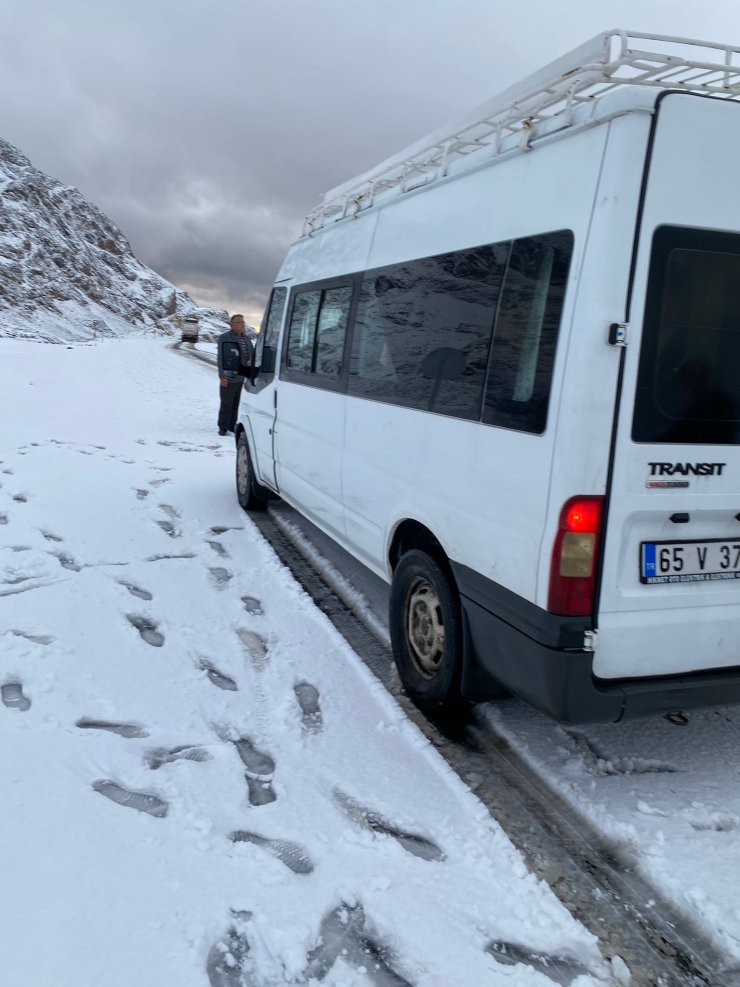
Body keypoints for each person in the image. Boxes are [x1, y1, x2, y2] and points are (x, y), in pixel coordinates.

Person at [217, 314, 254, 435]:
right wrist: (222, 376)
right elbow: (221, 357)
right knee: (226, 402)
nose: (242, 324)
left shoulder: (247, 339)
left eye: (243, 322)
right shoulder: (225, 337)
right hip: (229, 375)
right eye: (239, 322)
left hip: (241, 376)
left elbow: (251, 355)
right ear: (232, 324)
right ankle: (223, 426)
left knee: (235, 402)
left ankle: (232, 425)